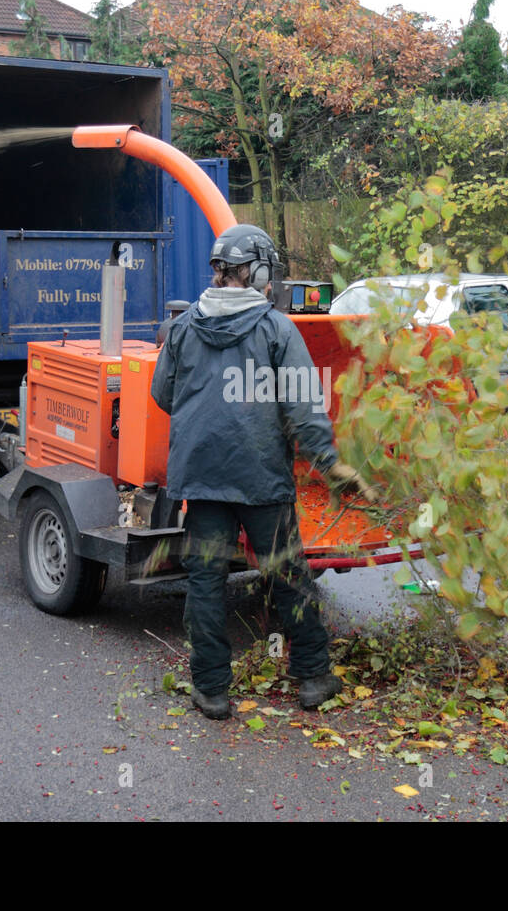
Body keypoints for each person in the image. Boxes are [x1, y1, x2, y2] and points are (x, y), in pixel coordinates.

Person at [151, 223, 376, 719]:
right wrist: (331, 464)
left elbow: (161, 395)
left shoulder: (184, 327)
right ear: (254, 274)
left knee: (206, 581)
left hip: (202, 477)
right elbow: (303, 407)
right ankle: (313, 678)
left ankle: (211, 691)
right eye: (267, 274)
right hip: (260, 477)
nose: (271, 284)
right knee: (288, 576)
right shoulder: (276, 329)